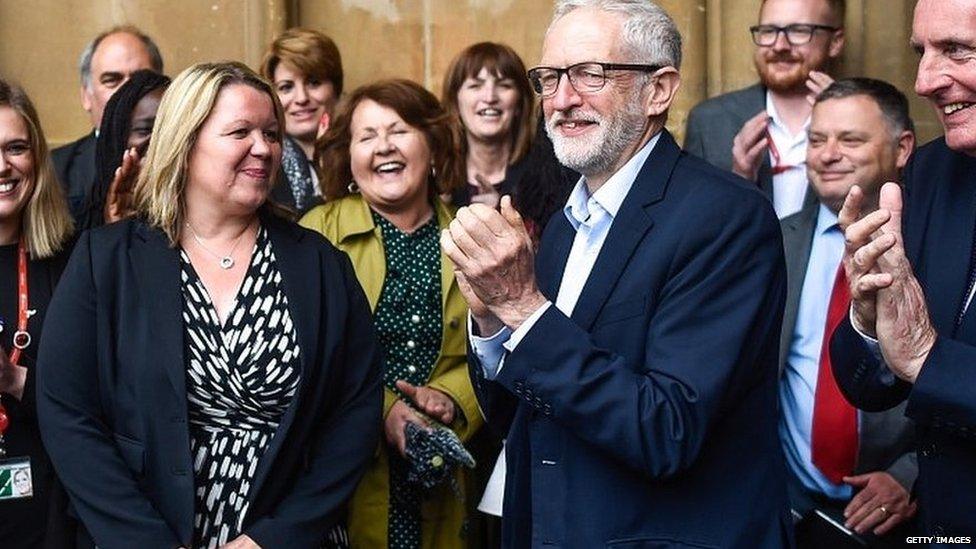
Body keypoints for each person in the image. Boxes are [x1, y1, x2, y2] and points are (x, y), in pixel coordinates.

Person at [442, 0, 792, 547]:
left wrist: (522, 309)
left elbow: (667, 430)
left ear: (659, 90)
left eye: (590, 74)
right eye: (550, 78)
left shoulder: (725, 218)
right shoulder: (563, 224)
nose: (561, 100)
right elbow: (525, 415)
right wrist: (490, 322)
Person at [36, 62, 382, 548]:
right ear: (186, 141)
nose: (263, 148)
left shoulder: (320, 265)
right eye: (240, 132)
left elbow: (355, 411)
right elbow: (68, 412)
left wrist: (274, 537)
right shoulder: (107, 260)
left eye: (272, 133)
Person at [300, 79, 482, 549]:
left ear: (433, 145)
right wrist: (385, 411)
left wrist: (455, 398)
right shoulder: (317, 234)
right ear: (349, 155)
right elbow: (303, 356)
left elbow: (504, 348)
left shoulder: (475, 235)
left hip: (446, 474)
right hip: (342, 477)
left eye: (399, 131)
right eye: (367, 136)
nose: (384, 147)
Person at [830, 0, 976, 538]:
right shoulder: (931, 173)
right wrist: (868, 323)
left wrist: (924, 356)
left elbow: (921, 361)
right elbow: (870, 387)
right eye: (921, 52)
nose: (924, 81)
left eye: (956, 50)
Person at [779, 78, 917, 547]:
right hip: (790, 506)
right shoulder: (776, 240)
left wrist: (910, 474)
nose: (827, 154)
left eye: (850, 139)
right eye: (817, 140)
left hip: (910, 517)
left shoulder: (938, 241)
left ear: (902, 148)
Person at [0, 78, 75, 548]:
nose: (3, 165)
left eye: (16, 147)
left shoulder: (70, 262)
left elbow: (95, 402)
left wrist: (12, 382)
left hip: (48, 518)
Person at [685, 0, 845, 219]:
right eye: (769, 31)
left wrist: (845, 112)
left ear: (835, 42)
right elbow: (691, 224)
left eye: (798, 31)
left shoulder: (869, 120)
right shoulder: (710, 122)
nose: (779, 45)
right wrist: (740, 181)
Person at [51, 25, 163, 223]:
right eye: (112, 80)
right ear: (86, 96)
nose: (127, 91)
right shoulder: (53, 171)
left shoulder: (188, 164)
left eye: (139, 80)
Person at [261, 27, 343, 214]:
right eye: (286, 87)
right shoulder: (261, 161)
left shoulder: (363, 154)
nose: (301, 98)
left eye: (314, 82)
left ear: (335, 89)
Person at [83, 68, 171, 229]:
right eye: (145, 130)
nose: (160, 141)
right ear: (117, 140)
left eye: (171, 130)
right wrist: (116, 230)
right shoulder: (80, 222)